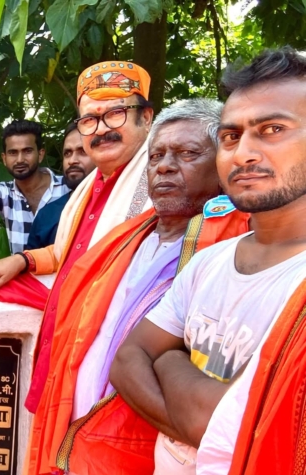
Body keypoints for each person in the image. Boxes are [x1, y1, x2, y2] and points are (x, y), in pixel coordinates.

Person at [27, 99, 251, 475]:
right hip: (78, 444)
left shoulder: (236, 248)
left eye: (187, 154)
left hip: (156, 452)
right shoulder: (121, 240)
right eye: (156, 156)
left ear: (222, 164)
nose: (164, 166)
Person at [112, 47, 306, 475]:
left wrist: (168, 360)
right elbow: (126, 361)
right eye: (231, 137)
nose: (243, 154)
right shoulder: (209, 262)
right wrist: (203, 419)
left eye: (272, 129)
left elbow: (230, 424)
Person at [0, 61, 155, 413]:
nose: (102, 129)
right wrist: (22, 260)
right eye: (90, 119)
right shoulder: (88, 189)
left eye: (115, 114)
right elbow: (69, 254)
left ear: (145, 118)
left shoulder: (161, 183)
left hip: (114, 357)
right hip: (67, 343)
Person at [0, 120, 70, 254]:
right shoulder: (5, 195)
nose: (20, 159)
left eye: (27, 151)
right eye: (13, 152)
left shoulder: (69, 188)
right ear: (4, 158)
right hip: (22, 268)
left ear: (40, 154)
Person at [24, 122, 96, 250]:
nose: (72, 160)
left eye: (83, 151)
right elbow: (31, 260)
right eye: (67, 153)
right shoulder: (47, 215)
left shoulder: (118, 206)